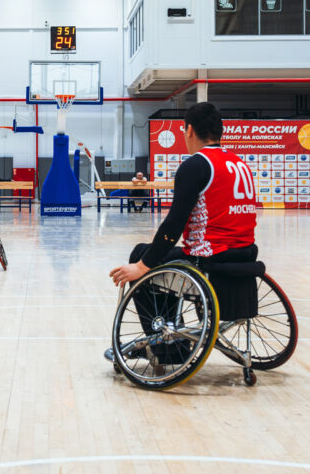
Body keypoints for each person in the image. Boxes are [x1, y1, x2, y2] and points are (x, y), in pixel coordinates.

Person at [107, 102, 260, 365]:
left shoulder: (196, 165)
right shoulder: (238, 163)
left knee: (142, 254)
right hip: (245, 254)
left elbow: (174, 226)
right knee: (158, 256)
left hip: (209, 257)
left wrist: (142, 266)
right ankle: (173, 338)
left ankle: (167, 347)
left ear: (188, 130)